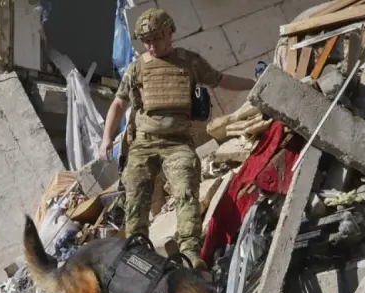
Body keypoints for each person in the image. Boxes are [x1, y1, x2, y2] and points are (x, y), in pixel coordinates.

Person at [99, 8, 256, 270]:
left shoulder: (189, 62)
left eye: (156, 39)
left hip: (178, 143)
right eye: (146, 41)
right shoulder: (137, 68)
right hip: (144, 143)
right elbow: (118, 104)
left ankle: (190, 253)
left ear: (169, 34)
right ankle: (138, 254)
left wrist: (254, 83)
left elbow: (221, 80)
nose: (151, 46)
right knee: (136, 194)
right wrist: (106, 139)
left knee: (186, 189)